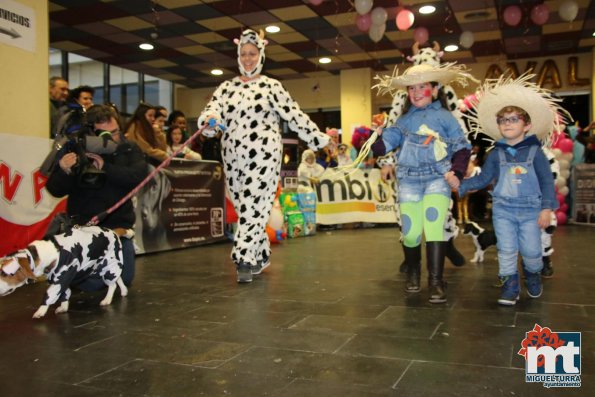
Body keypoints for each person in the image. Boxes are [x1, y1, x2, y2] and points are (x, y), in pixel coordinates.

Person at [197, 29, 330, 283]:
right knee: (245, 206)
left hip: (264, 157)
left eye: (253, 53)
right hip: (233, 159)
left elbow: (295, 116)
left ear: (261, 55)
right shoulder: (226, 88)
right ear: (238, 55)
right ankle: (259, 253)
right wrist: (210, 120)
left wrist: (320, 139)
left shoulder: (271, 86)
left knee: (254, 207)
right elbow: (211, 112)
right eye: (244, 54)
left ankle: (244, 259)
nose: (248, 59)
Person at [455, 74, 561, 306]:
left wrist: (546, 209)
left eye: (514, 119)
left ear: (527, 125)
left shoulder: (536, 153)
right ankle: (510, 286)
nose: (508, 123)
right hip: (503, 210)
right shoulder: (496, 154)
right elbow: (484, 178)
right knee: (506, 250)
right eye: (503, 120)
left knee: (533, 252)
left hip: (531, 211)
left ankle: (532, 273)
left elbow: (546, 182)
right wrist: (461, 186)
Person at [372, 63, 473, 303]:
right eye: (412, 88)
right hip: (408, 181)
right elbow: (381, 148)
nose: (416, 92)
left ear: (435, 89)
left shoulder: (446, 118)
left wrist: (457, 172)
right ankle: (414, 275)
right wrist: (376, 135)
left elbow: (462, 147)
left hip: (437, 179)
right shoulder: (403, 121)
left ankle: (436, 282)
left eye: (422, 87)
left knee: (434, 226)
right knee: (411, 231)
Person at [45, 104, 149, 290]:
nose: (111, 138)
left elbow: (138, 177)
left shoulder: (128, 148)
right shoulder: (78, 149)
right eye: (103, 134)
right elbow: (55, 190)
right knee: (91, 285)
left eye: (115, 132)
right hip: (85, 230)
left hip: (118, 230)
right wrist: (63, 170)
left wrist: (105, 168)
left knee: (123, 280)